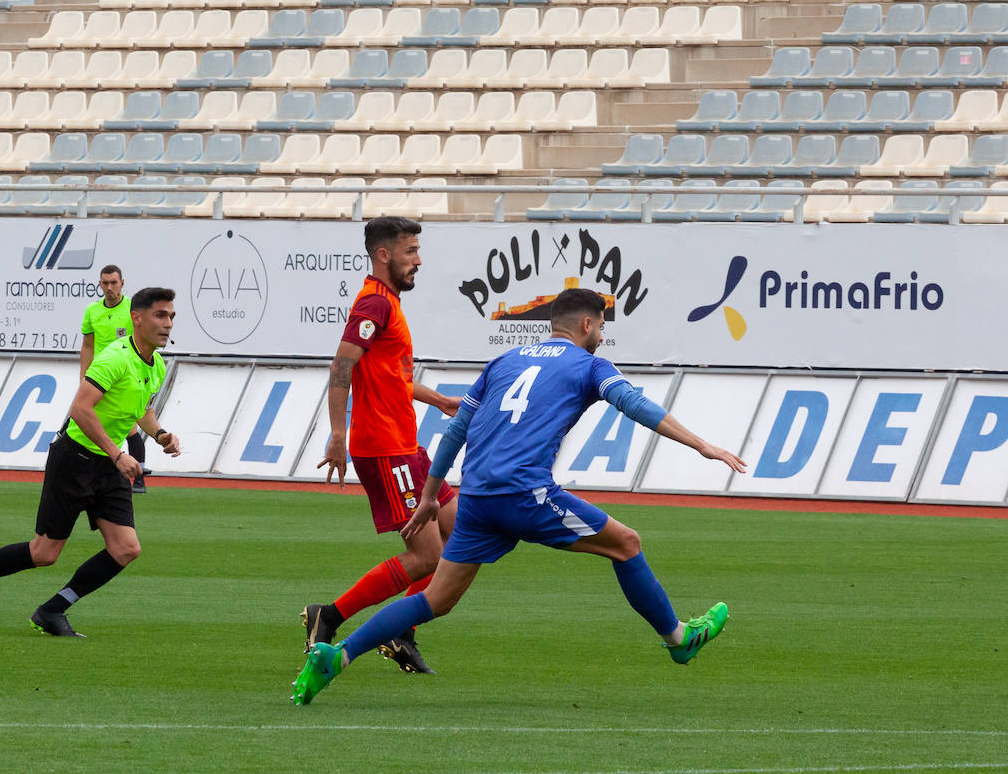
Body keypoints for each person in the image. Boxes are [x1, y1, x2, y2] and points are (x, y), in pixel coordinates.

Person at [292, 287, 746, 704]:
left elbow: (455, 433)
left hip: (476, 498)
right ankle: (679, 640)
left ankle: (339, 657)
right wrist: (702, 445)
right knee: (626, 544)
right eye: (602, 327)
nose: (602, 337)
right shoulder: (589, 365)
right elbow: (636, 405)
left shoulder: (503, 362)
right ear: (587, 325)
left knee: (437, 599)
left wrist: (431, 495)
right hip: (525, 493)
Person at [0, 288, 182, 637]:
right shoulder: (115, 358)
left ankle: (52, 610)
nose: (168, 323)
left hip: (108, 466)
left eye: (171, 316)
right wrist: (117, 453)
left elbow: (142, 409)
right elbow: (80, 410)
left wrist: (160, 434)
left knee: (126, 548)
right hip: (75, 460)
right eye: (160, 315)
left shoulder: (156, 365)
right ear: (136, 318)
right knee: (44, 553)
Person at [303, 215, 462, 674]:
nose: (417, 261)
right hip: (384, 449)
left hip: (405, 444)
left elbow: (393, 378)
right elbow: (340, 367)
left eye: (417, 251)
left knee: (460, 533)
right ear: (383, 255)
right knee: (427, 555)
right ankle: (330, 616)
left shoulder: (388, 302)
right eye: (410, 252)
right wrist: (337, 433)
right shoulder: (374, 304)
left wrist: (440, 401)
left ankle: (401, 630)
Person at [81, 265, 148, 493]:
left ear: (122, 283)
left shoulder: (132, 310)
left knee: (130, 426)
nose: (109, 287)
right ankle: (107, 473)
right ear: (99, 284)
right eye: (105, 283)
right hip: (101, 378)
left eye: (114, 283)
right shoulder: (92, 311)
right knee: (96, 425)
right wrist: (84, 377)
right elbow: (88, 346)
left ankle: (139, 477)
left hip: (126, 375)